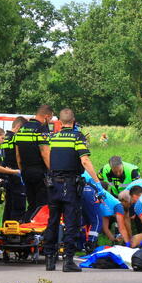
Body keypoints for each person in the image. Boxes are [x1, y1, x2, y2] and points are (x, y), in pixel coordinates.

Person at [43, 108, 103, 272]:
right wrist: (98, 183)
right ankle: (68, 261)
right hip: (70, 185)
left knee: (53, 222)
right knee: (71, 222)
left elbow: (48, 157)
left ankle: (50, 260)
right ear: (74, 120)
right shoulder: (77, 137)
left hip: (53, 184)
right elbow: (84, 161)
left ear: (60, 122)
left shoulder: (52, 137)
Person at [15, 105, 53, 221]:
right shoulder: (42, 129)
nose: (50, 121)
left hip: (26, 172)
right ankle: (37, 233)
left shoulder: (22, 128)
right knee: (42, 205)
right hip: (39, 172)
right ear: (46, 116)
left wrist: (22, 170)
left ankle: (25, 226)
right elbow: (45, 153)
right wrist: (53, 172)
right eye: (50, 119)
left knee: (31, 204)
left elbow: (18, 155)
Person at [80, 179, 132, 250]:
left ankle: (79, 243)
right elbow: (121, 227)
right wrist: (128, 244)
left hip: (84, 191)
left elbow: (105, 228)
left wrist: (113, 239)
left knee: (84, 222)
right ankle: (90, 244)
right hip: (92, 193)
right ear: (125, 202)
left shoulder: (107, 210)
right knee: (97, 222)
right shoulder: (118, 206)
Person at [0, 116, 28, 223]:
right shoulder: (15, 138)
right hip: (16, 174)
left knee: (9, 205)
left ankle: (5, 230)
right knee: (19, 205)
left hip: (6, 174)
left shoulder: (5, 137)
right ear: (18, 127)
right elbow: (18, 156)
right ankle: (15, 231)